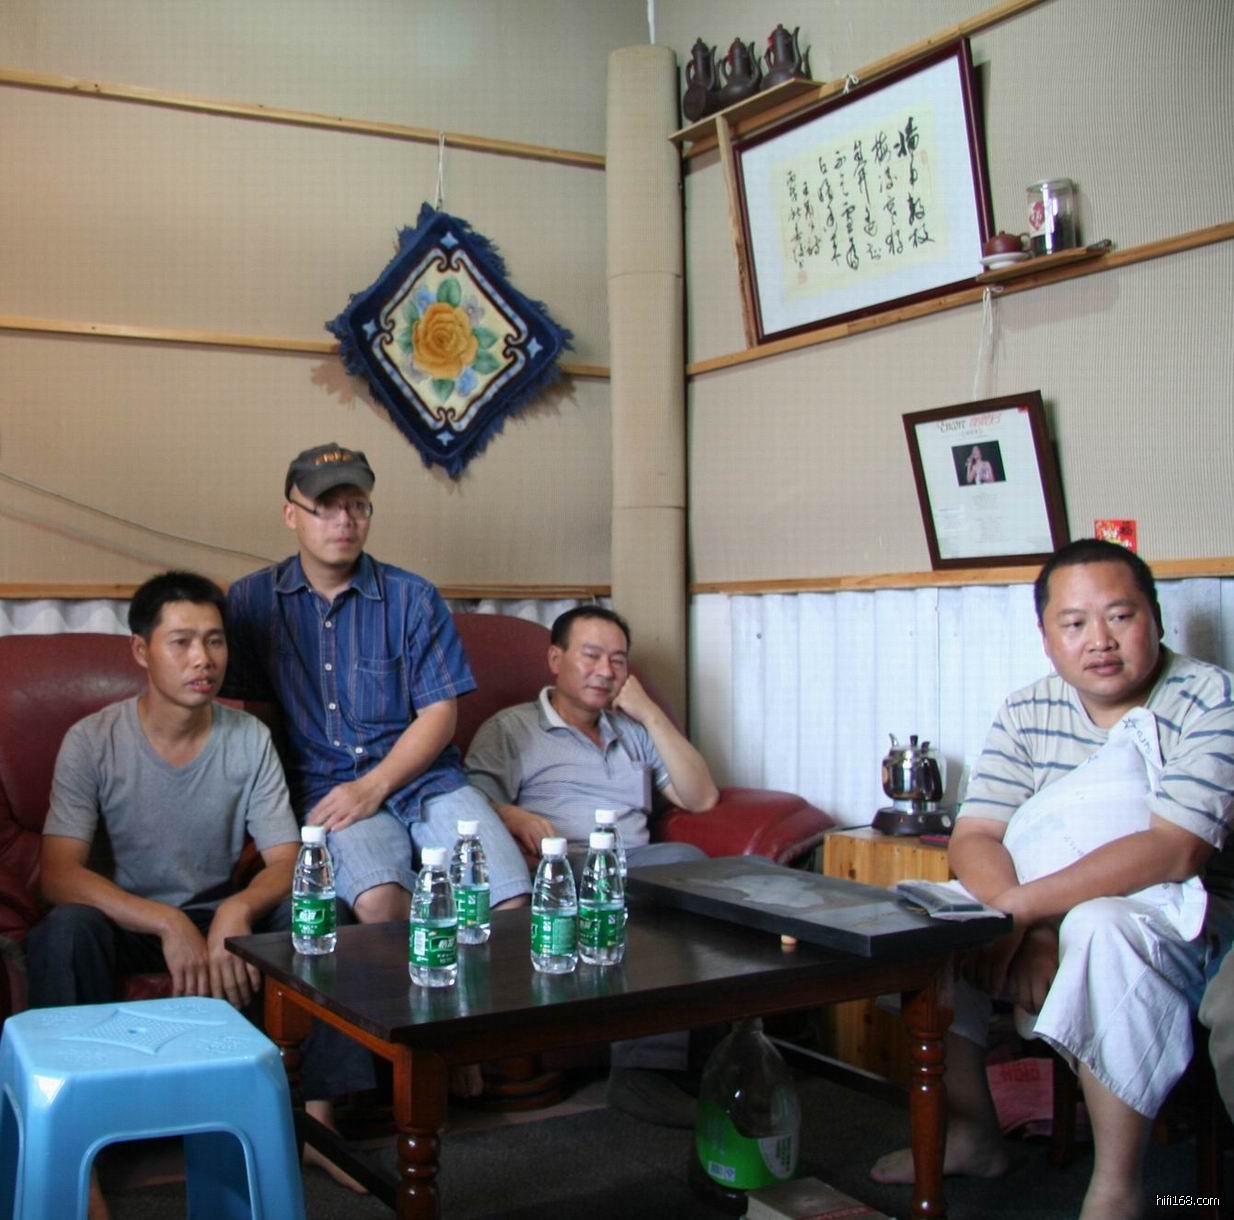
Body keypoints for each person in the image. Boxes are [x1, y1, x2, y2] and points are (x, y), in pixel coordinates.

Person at [870, 539, 1234, 1220]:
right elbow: (977, 835)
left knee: (1099, 927)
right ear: (1046, 637)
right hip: (1043, 907)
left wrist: (1021, 915)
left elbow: (1175, 849)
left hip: (1185, 917)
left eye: (1120, 616)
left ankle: (1118, 1186)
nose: (1100, 640)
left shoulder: (1209, 696)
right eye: (1074, 623)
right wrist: (1025, 923)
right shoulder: (1028, 709)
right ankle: (975, 1131)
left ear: (1156, 618)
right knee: (924, 920)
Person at [25, 571, 370, 1216]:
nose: (202, 660)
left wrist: (237, 909)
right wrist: (164, 922)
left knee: (323, 913)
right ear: (141, 650)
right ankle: (79, 1162)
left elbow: (286, 861)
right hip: (124, 919)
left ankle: (317, 1126)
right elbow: (59, 874)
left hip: (218, 913)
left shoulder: (248, 738)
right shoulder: (93, 740)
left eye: (214, 641)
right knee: (64, 931)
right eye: (181, 642)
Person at [222, 443, 530, 930]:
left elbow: (439, 714)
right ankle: (437, 965)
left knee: (508, 902)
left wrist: (373, 786)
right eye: (325, 507)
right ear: (291, 514)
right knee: (378, 903)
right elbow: (260, 718)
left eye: (357, 505)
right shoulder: (252, 599)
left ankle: (469, 970)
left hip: (427, 782)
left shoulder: (413, 597)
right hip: (327, 787)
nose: (344, 521)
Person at [465, 604, 721, 1125]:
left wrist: (651, 714)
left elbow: (702, 798)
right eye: (591, 656)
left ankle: (718, 1062)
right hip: (564, 868)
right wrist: (514, 815)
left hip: (639, 861)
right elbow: (468, 801)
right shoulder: (512, 728)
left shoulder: (634, 730)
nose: (606, 671)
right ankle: (643, 1075)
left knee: (693, 871)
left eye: (618, 661)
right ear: (555, 659)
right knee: (665, 882)